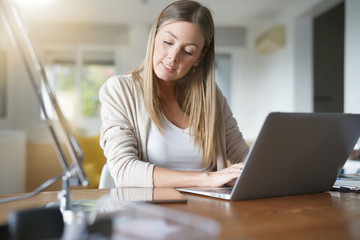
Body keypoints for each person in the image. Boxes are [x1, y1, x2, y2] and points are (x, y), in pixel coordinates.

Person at [99, 0, 249, 188]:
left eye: (188, 51)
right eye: (168, 42)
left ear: (199, 57)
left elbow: (244, 157)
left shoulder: (211, 97)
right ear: (154, 37)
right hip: (149, 212)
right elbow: (124, 171)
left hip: (209, 212)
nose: (173, 56)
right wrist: (209, 179)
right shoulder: (120, 90)